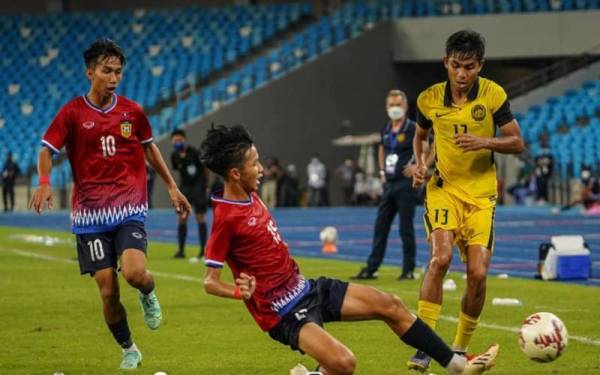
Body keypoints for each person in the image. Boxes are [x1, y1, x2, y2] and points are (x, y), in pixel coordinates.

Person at [200, 124, 498, 375]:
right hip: (284, 314)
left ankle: (457, 366)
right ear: (235, 174)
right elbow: (210, 282)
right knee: (344, 363)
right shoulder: (225, 219)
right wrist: (240, 292)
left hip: (307, 289)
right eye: (254, 163)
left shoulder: (250, 195)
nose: (262, 168)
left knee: (390, 304)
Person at [28, 38, 191, 369]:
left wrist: (172, 186)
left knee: (135, 273)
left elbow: (149, 148)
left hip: (128, 207)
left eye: (118, 71)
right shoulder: (72, 113)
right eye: (107, 71)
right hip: (90, 216)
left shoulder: (132, 111)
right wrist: (44, 183)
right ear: (90, 72)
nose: (114, 77)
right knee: (108, 292)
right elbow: (46, 149)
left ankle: (148, 293)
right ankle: (129, 348)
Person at [409, 30, 524, 372]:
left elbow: (517, 142)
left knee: (478, 272)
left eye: (469, 67)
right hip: (444, 189)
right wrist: (420, 165)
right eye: (456, 66)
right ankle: (424, 346)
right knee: (439, 258)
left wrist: (484, 141)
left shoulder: (493, 94)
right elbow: (421, 136)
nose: (461, 74)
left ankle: (458, 348)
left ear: (480, 66)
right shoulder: (428, 99)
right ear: (446, 62)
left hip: (481, 195)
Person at [352, 89, 422, 281]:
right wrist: (381, 171)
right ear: (386, 107)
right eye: (391, 105)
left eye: (398, 105)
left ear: (406, 106)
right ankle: (372, 267)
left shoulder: (413, 128)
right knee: (380, 226)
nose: (395, 109)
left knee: (405, 228)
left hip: (406, 184)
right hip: (389, 183)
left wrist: (420, 166)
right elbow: (382, 149)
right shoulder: (385, 129)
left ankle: (408, 269)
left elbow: (431, 145)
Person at [170, 128, 210, 259]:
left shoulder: (195, 152)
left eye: (179, 140)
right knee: (182, 218)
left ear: (184, 139)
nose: (177, 143)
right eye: (175, 141)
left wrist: (205, 187)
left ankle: (203, 251)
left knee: (200, 217)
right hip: (185, 189)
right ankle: (181, 251)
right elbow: (178, 171)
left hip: (198, 187)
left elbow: (205, 169)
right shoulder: (174, 156)